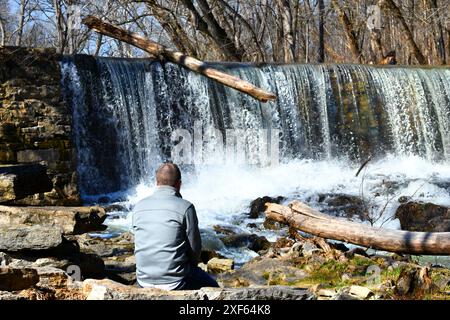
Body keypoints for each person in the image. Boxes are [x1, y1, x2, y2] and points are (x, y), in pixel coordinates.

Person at [132, 162, 219, 290]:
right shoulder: (186, 207)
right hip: (175, 282)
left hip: (143, 280)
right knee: (214, 288)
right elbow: (195, 249)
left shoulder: (138, 207)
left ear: (156, 182)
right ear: (179, 184)